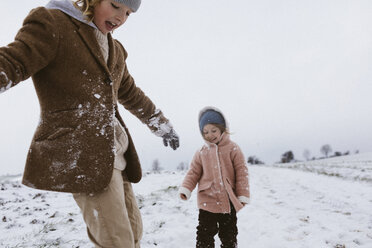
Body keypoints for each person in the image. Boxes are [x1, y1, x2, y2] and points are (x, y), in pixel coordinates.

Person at [0, 0, 179, 247]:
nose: (121, 17)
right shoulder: (53, 23)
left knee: (133, 233)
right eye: (116, 5)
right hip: (83, 154)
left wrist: (160, 123)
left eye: (128, 13)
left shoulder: (114, 48)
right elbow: (13, 61)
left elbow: (130, 92)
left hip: (117, 152)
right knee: (116, 241)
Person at [178, 107, 249, 248]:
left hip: (228, 201)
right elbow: (193, 172)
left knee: (229, 234)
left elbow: (241, 172)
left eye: (213, 130)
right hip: (207, 200)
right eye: (205, 132)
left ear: (223, 129)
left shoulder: (233, 148)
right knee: (204, 233)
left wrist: (242, 195)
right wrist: (186, 189)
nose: (209, 135)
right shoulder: (201, 152)